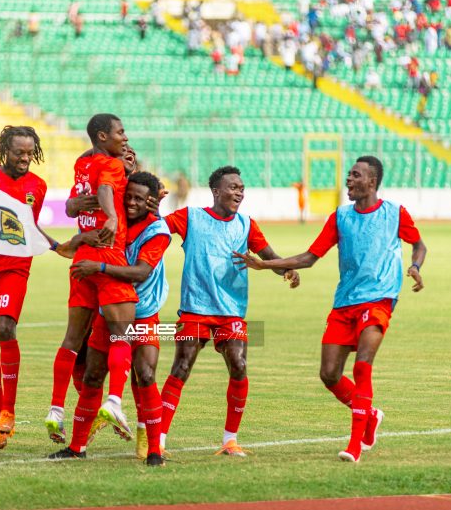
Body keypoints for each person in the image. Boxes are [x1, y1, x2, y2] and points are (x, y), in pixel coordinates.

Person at [233, 156, 427, 463]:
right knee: (329, 374)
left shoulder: (394, 213)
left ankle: (355, 445)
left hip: (379, 299)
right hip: (345, 302)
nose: (348, 180)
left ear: (371, 182)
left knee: (362, 365)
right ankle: (371, 416)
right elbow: (310, 257)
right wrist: (266, 264)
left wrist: (415, 267)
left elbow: (419, 244)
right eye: (349, 175)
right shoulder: (341, 217)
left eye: (355, 175)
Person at [158, 166, 300, 457]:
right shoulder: (191, 217)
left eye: (241, 187)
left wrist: (288, 270)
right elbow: (157, 229)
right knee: (181, 367)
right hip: (195, 308)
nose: (239, 192)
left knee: (239, 364)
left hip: (231, 311)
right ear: (216, 191)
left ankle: (230, 441)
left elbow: (269, 257)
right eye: (233, 187)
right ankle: (157, 440)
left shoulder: (247, 225)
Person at [50, 172, 170, 466]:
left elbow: (141, 272)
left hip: (143, 314)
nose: (130, 203)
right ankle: (77, 447)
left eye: (138, 199)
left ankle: (154, 450)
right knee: (92, 376)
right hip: (110, 310)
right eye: (128, 196)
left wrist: (98, 267)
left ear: (150, 201)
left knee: (146, 374)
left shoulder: (157, 229)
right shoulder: (115, 221)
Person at [45, 114, 139, 449]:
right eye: (120, 132)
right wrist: (112, 215)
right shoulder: (110, 165)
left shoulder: (82, 164)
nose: (124, 138)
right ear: (103, 136)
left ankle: (55, 410)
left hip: (82, 253)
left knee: (72, 338)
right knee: (123, 334)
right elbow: (104, 189)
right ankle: (114, 401)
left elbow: (72, 204)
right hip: (107, 252)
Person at [0, 126, 60, 450]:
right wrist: (1, 229)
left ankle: (9, 410)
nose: (25, 158)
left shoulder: (37, 186)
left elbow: (29, 226)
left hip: (16, 267)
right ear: (5, 150)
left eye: (30, 152)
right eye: (19, 152)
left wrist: (56, 244)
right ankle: (1, 422)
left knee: (7, 329)